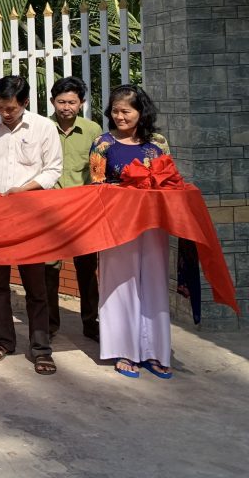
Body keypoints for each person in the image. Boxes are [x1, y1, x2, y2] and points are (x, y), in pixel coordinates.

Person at [0, 75, 62, 376]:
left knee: (36, 286)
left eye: (12, 109)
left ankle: (41, 349)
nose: (6, 113)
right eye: (1, 107)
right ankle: (4, 341)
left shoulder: (43, 127)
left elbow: (53, 168)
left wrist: (25, 189)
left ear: (25, 104)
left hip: (31, 216)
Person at [89, 85, 173, 380]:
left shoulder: (158, 143)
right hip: (116, 225)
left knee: (155, 283)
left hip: (152, 225)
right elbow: (97, 185)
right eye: (115, 111)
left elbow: (169, 181)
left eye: (126, 111)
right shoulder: (103, 144)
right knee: (120, 286)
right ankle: (125, 351)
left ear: (141, 112)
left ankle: (156, 352)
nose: (120, 116)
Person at [46, 76, 101, 341]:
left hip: (82, 211)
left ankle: (91, 323)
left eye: (72, 102)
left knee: (87, 268)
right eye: (61, 101)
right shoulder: (42, 129)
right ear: (52, 102)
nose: (66, 107)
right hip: (49, 211)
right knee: (49, 268)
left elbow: (97, 169)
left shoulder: (93, 130)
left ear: (81, 104)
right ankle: (49, 324)